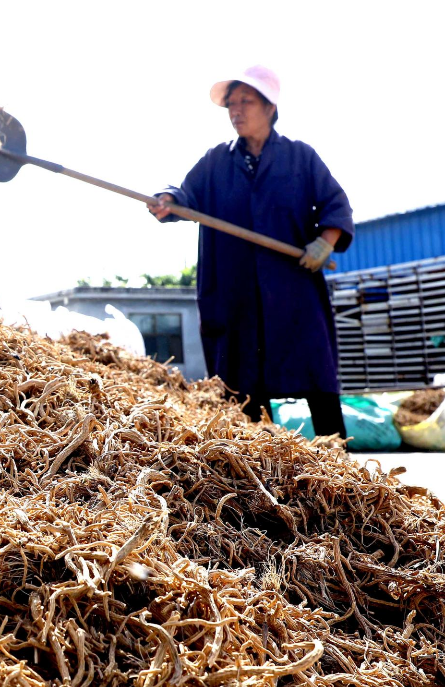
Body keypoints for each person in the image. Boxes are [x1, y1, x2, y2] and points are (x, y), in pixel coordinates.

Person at [147, 66, 354, 437]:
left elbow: (335, 204)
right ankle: (256, 479)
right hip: (235, 296)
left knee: (316, 376)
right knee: (242, 394)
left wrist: (326, 241)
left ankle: (341, 475)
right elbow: (184, 195)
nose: (236, 111)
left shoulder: (299, 158)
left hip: (292, 292)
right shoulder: (215, 162)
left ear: (271, 107)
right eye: (231, 104)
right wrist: (167, 200)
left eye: (247, 101)